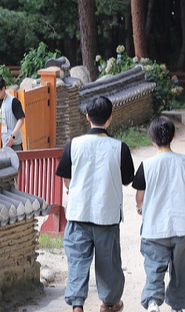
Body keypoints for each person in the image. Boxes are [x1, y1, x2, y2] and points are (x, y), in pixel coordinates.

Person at [55, 96, 134, 312]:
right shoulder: (120, 148)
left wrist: (72, 190)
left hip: (78, 213)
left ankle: (77, 304)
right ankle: (109, 303)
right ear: (110, 119)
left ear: (87, 117)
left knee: (77, 261)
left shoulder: (73, 144)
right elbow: (127, 180)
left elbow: (65, 176)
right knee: (109, 262)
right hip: (106, 214)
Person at [132, 116, 185, 312]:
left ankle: (153, 302)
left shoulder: (146, 166)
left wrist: (142, 209)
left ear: (151, 138)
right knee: (180, 270)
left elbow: (140, 198)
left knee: (154, 266)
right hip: (184, 227)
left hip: (154, 227)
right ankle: (177, 307)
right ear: (173, 136)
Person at [0, 76, 25, 150]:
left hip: (13, 141)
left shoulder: (14, 101)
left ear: (3, 88)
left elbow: (21, 120)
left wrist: (12, 136)